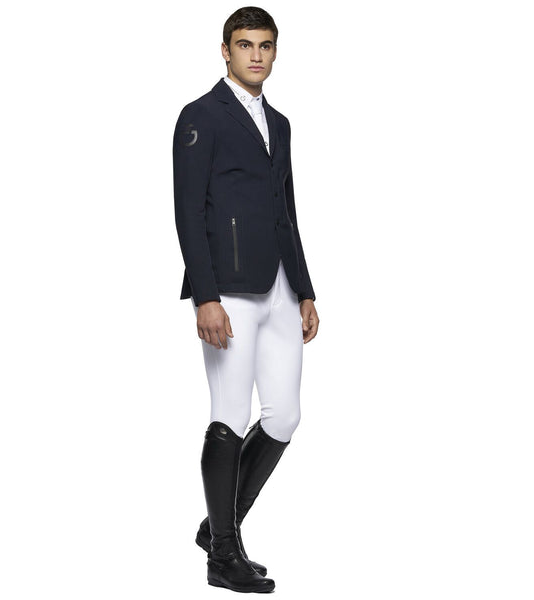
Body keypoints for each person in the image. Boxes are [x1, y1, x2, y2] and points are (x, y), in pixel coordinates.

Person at [172, 6, 320, 593]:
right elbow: (188, 211)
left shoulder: (280, 123)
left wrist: (305, 289)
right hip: (228, 291)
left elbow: (288, 211)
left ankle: (218, 527)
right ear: (225, 51)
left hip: (280, 287)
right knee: (230, 414)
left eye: (265, 45)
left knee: (284, 416)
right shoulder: (200, 116)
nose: (256, 55)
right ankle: (223, 556)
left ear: (275, 52)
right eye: (244, 44)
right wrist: (205, 297)